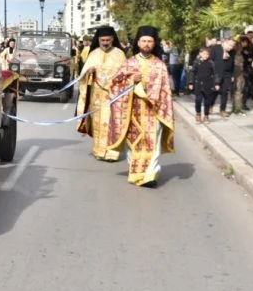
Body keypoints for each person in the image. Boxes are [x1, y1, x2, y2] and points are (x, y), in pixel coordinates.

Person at [106, 26, 175, 188]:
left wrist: (164, 110)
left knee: (152, 143)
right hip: (132, 110)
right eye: (143, 41)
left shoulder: (160, 65)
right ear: (137, 43)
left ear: (154, 43)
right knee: (134, 143)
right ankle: (136, 172)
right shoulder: (129, 63)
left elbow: (165, 91)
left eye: (150, 41)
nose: (146, 44)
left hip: (153, 112)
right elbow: (114, 85)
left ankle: (150, 175)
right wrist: (130, 80)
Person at [75, 26, 126, 161]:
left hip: (114, 96)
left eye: (107, 40)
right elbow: (83, 75)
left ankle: (112, 152)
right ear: (98, 40)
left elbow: (126, 74)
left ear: (112, 39)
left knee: (112, 122)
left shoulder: (119, 54)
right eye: (102, 40)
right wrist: (88, 72)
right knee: (98, 123)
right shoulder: (94, 54)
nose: (105, 43)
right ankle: (99, 150)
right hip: (97, 96)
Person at [188, 47, 219, 124]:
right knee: (198, 100)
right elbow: (192, 73)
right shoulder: (196, 62)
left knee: (207, 101)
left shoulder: (211, 63)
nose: (206, 55)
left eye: (207, 54)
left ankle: (206, 115)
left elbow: (215, 74)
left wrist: (216, 83)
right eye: (204, 54)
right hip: (198, 84)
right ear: (200, 54)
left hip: (208, 84)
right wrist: (191, 83)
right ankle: (198, 114)